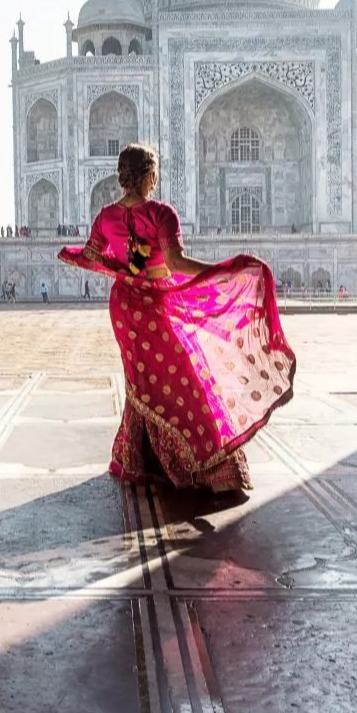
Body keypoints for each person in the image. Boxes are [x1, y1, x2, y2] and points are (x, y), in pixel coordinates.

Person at [60, 142, 295, 494]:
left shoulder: (105, 216)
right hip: (155, 302)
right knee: (183, 375)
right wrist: (221, 270)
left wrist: (115, 269)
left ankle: (140, 459)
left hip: (125, 305)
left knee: (144, 381)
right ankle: (203, 464)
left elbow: (93, 256)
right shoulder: (160, 213)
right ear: (151, 176)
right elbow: (175, 264)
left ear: (123, 176)